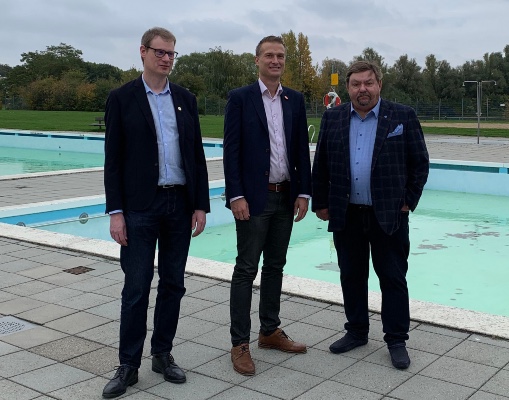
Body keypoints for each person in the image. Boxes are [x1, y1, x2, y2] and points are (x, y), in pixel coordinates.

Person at [102, 27, 210, 398]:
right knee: (135, 288)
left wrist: (200, 204)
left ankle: (162, 354)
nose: (166, 59)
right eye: (160, 52)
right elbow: (113, 160)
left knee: (173, 284)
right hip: (139, 208)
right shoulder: (122, 98)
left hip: (179, 205)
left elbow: (196, 155)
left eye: (171, 54)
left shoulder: (185, 98)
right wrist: (116, 212)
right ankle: (128, 364)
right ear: (143, 52)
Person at [311, 60, 429, 369]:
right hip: (346, 213)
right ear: (348, 88)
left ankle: (396, 339)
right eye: (356, 84)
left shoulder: (402, 116)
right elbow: (321, 162)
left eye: (368, 83)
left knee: (392, 277)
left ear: (379, 85)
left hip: (388, 213)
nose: (362, 89)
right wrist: (320, 202)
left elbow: (420, 163)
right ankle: (357, 331)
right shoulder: (333, 117)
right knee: (351, 275)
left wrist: (408, 201)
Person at [223, 35, 312, 376]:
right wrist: (236, 195)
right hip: (254, 197)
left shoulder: (294, 99)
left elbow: (300, 149)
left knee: (276, 265)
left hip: (285, 194)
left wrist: (303, 192)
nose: (275, 61)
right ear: (257, 60)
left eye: (280, 56)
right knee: (247, 268)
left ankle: (270, 331)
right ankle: (240, 342)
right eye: (269, 55)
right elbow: (231, 151)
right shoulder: (241, 99)